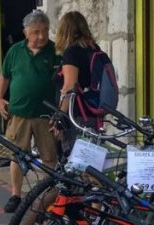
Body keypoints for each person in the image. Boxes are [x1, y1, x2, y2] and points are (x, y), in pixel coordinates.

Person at [0, 10, 60, 213]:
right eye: (36, 32)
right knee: (17, 155)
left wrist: (61, 115)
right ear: (26, 32)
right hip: (19, 113)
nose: (41, 36)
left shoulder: (55, 51)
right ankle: (16, 194)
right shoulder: (15, 51)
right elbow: (4, 77)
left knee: (49, 157)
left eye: (45, 31)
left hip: (45, 116)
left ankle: (46, 197)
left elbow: (64, 84)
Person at [55, 11, 99, 154]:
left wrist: (59, 118)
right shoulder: (93, 48)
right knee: (90, 160)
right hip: (92, 112)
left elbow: (69, 87)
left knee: (78, 162)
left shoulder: (72, 53)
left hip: (77, 117)